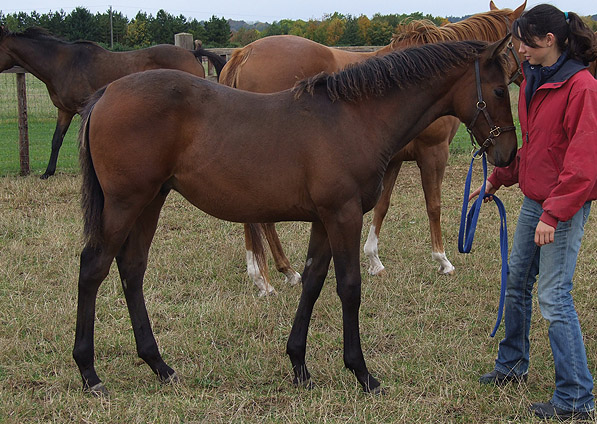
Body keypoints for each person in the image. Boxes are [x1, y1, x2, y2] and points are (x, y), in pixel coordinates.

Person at [470, 4, 597, 421]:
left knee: (554, 297)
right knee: (517, 280)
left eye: (524, 41)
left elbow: (583, 163)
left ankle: (577, 398)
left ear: (548, 41)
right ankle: (511, 367)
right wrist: (497, 179)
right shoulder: (531, 83)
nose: (518, 48)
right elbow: (536, 149)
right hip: (535, 201)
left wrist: (554, 214)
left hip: (563, 206)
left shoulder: (581, 87)